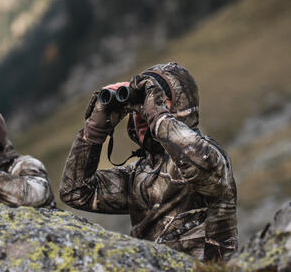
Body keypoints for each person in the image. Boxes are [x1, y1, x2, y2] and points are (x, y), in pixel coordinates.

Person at [60, 62, 237, 261]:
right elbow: (75, 192)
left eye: (159, 102)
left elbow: (200, 164)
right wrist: (93, 132)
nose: (142, 114)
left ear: (181, 106)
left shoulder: (210, 156)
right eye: (139, 108)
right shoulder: (138, 175)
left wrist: (158, 118)